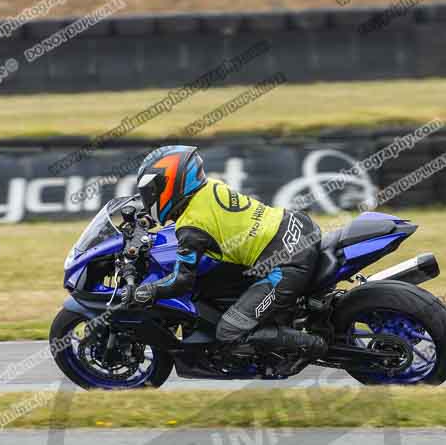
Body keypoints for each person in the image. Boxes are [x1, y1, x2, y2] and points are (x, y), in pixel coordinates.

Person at [132, 145, 327, 363]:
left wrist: (147, 291)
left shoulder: (192, 228)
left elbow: (181, 282)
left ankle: (317, 346)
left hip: (287, 262)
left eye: (151, 192)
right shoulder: (209, 187)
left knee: (230, 331)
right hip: (296, 226)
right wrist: (147, 219)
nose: (149, 199)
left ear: (171, 184)